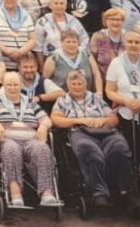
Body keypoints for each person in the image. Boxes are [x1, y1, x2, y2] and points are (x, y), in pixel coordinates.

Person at [51, 69, 135, 209]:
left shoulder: (96, 98)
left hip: (105, 130)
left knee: (119, 147)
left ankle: (124, 191)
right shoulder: (63, 101)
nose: (77, 87)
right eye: (74, 84)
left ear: (86, 84)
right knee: (89, 150)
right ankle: (99, 192)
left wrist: (102, 120)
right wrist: (80, 120)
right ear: (68, 85)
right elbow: (56, 120)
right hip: (80, 131)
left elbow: (114, 119)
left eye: (80, 84)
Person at [0, 72, 61, 207]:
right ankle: (15, 193)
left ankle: (47, 193)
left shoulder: (29, 101)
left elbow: (46, 119)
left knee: (42, 149)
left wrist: (43, 126)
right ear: (3, 86)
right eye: (9, 85)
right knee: (11, 150)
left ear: (21, 85)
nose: (13, 88)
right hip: (8, 138)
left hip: (30, 138)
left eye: (16, 85)